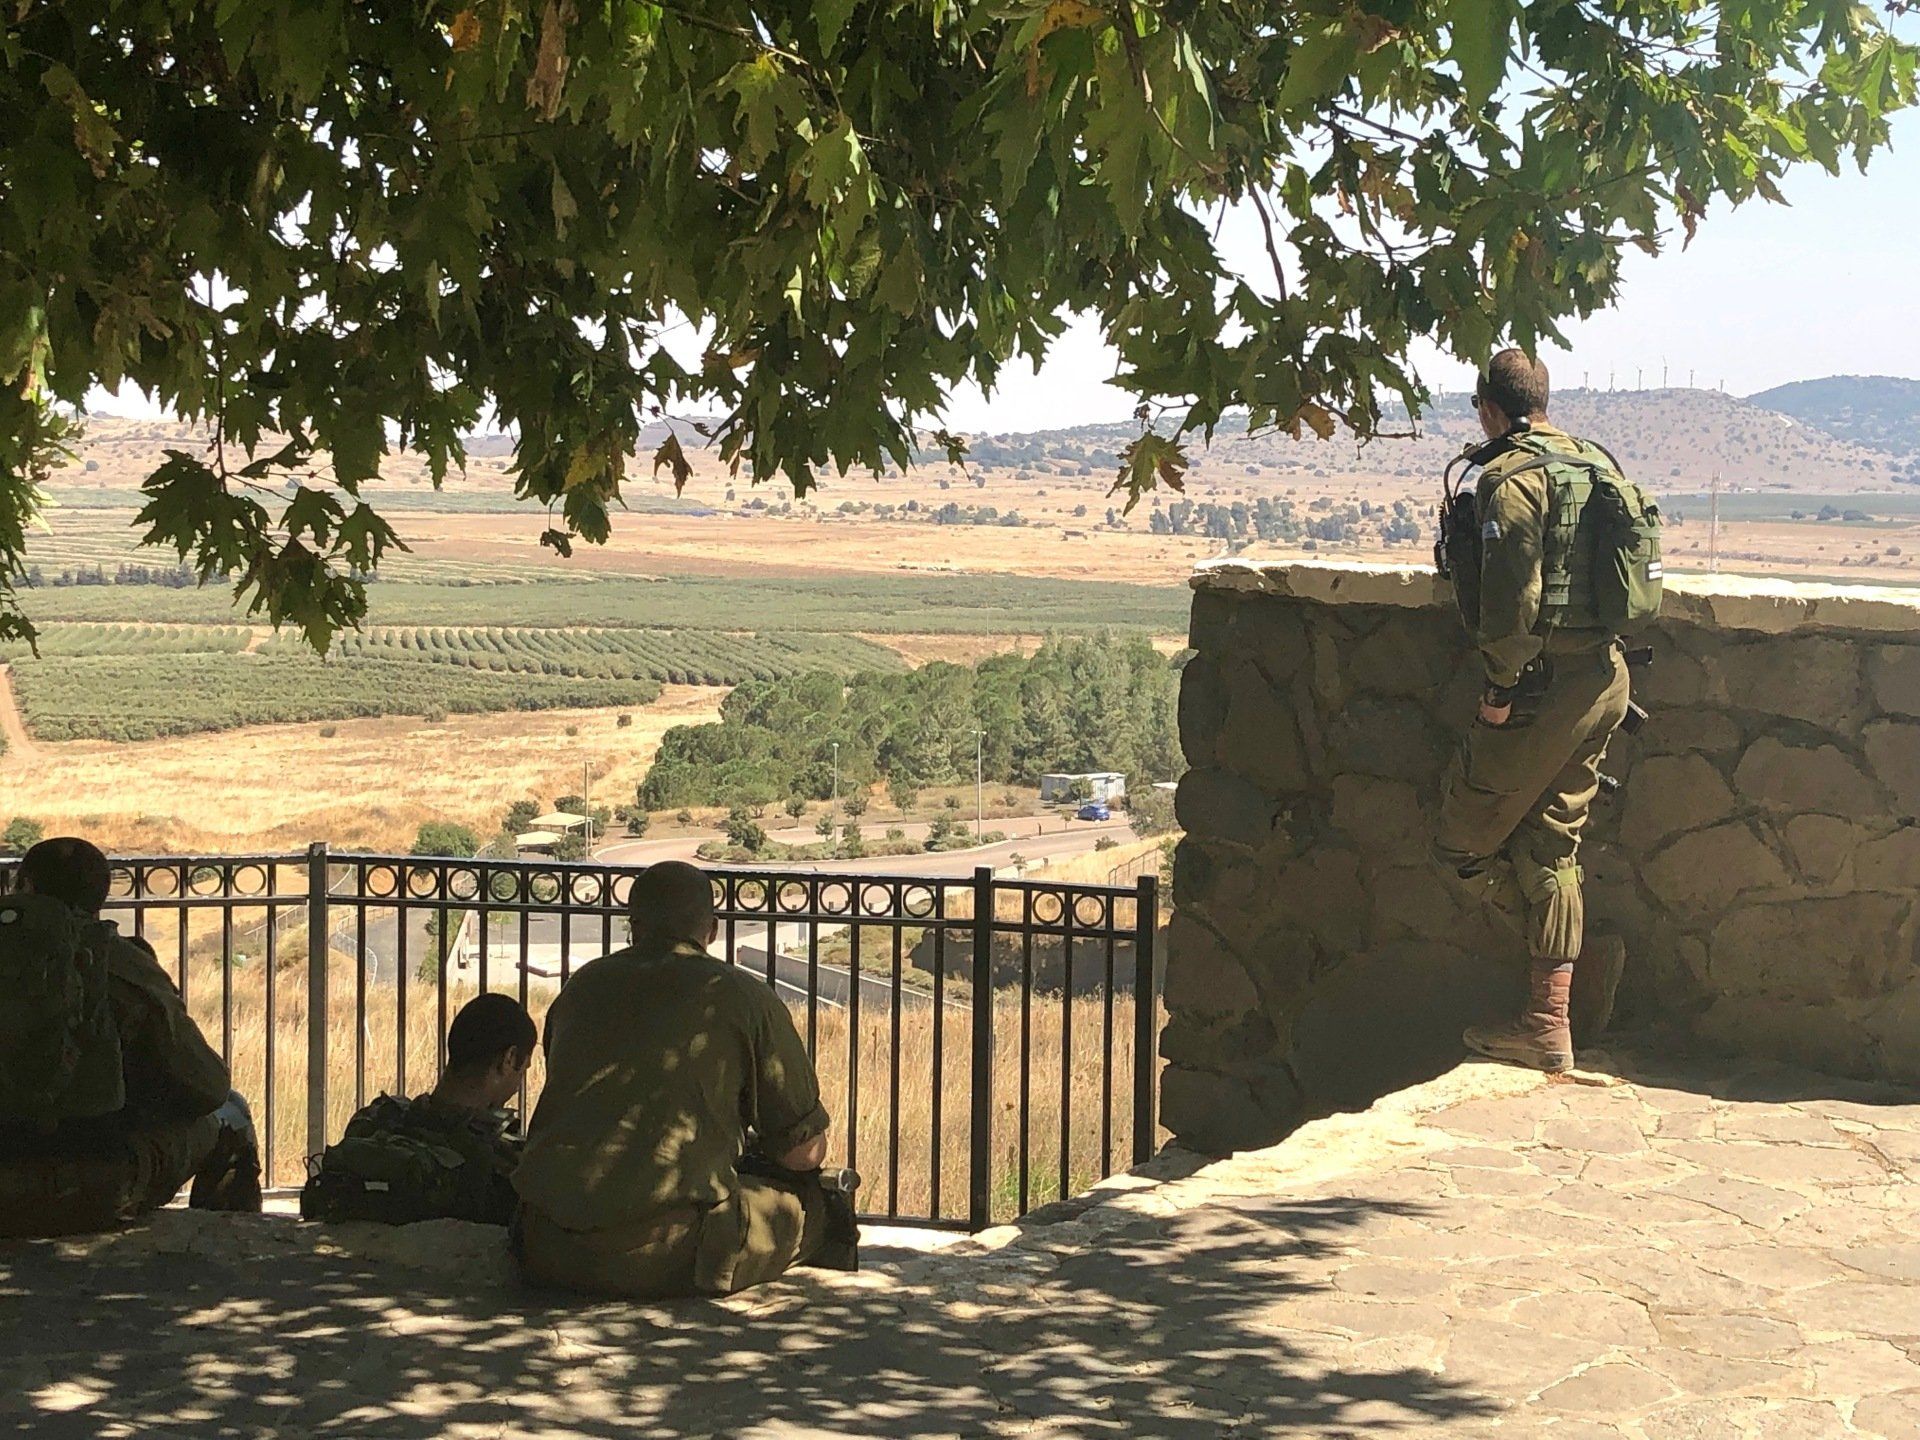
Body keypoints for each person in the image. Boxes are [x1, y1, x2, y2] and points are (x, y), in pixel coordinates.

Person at [513, 860, 858, 1298]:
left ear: (632, 926)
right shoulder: (742, 996)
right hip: (669, 1252)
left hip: (546, 1245)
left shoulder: (580, 987)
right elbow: (801, 1150)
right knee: (820, 1205)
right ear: (712, 929)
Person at [1434, 351, 1635, 1072]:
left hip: (1542, 691)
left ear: (1489, 406)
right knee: (1552, 846)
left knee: (1463, 840)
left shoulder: (1507, 480)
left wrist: (1499, 692)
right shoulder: (1591, 464)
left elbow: (1514, 610)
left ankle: (1549, 1000)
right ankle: (1551, 1018)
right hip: (1604, 679)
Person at [0, 837, 261, 1237]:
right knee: (231, 1112)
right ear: (99, 899)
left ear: (24, 888)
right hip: (88, 1188)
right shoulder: (118, 963)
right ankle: (232, 1248)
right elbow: (206, 1086)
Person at [301, 992, 535, 1226]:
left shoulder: (374, 1121)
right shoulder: (506, 1163)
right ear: (509, 1058)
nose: (517, 1087)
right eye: (522, 1070)